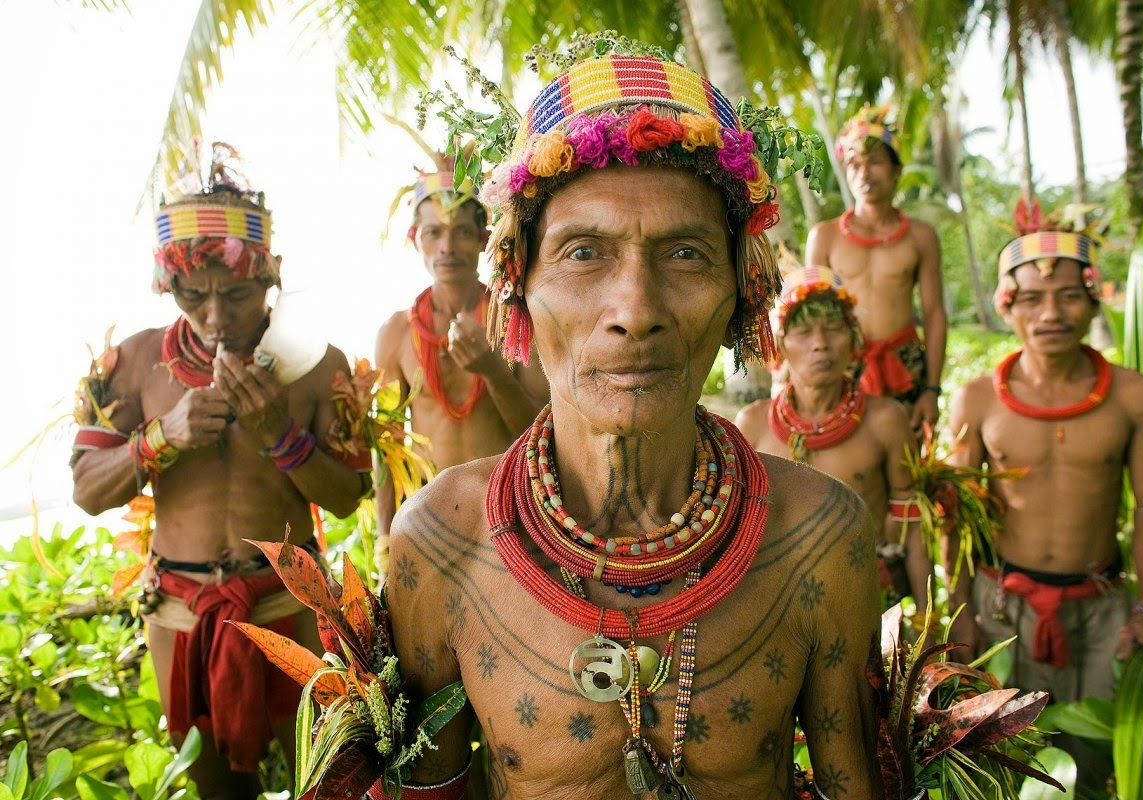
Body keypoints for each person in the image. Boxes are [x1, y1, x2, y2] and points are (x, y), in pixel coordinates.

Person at [386, 46, 884, 799]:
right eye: (583, 253)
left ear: (741, 299)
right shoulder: (441, 542)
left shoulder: (819, 538)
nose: (636, 312)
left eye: (686, 253)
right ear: (517, 292)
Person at [71, 150, 370, 799]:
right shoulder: (134, 363)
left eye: (234, 294)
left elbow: (349, 498)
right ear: (165, 285)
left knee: (321, 781)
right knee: (213, 791)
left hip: (290, 606)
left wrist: (280, 438)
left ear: (272, 278)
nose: (212, 317)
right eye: (191, 295)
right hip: (181, 615)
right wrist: (160, 439)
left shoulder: (321, 368)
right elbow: (87, 489)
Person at [946, 218, 1143, 790]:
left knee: (1096, 763)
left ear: (1091, 300)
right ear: (1007, 308)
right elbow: (959, 512)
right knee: (1006, 756)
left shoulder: (1135, 395)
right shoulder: (979, 399)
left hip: (1103, 606)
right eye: (1031, 299)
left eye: (1067, 297)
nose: (1050, 314)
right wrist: (960, 612)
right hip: (1004, 608)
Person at [736, 265, 931, 612]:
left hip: (868, 597)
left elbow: (912, 527)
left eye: (833, 328)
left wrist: (929, 619)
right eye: (803, 331)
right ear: (779, 344)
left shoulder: (885, 421)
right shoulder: (753, 425)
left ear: (853, 339)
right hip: (780, 604)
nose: (821, 344)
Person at [374, 162, 547, 538]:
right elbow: (389, 447)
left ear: (484, 238)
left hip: (506, 521)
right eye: (433, 232)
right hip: (427, 525)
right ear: (415, 237)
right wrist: (386, 539)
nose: (447, 247)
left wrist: (493, 371)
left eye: (462, 232)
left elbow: (543, 438)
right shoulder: (395, 334)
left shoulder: (516, 321)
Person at [805, 105, 946, 431]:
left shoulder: (921, 237)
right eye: (854, 164)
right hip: (844, 363)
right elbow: (812, 314)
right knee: (845, 458)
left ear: (897, 170)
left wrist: (932, 389)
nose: (864, 173)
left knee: (907, 463)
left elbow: (934, 313)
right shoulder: (824, 237)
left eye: (876, 162)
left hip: (904, 363)